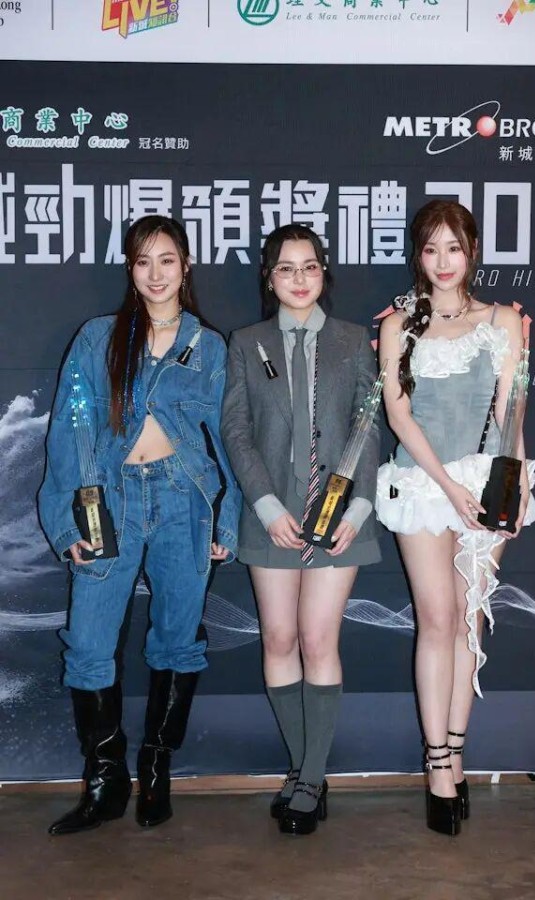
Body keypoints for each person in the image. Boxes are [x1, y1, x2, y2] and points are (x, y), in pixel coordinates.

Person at [38, 214, 240, 835]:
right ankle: (105, 782)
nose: (155, 274)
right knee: (89, 645)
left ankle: (156, 769)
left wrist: (226, 519)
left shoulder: (208, 346)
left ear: (186, 266)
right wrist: (67, 517)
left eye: (167, 260)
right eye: (143, 261)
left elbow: (226, 439)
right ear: (130, 268)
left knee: (178, 639)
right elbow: (72, 427)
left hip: (185, 500)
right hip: (110, 499)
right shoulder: (99, 338)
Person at [376, 200, 535, 836]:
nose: (443, 262)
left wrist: (512, 487)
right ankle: (437, 763)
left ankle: (458, 753)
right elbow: (398, 416)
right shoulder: (399, 325)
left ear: (472, 252)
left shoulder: (503, 320)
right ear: (418, 255)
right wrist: (447, 486)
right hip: (423, 484)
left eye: (455, 248)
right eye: (431, 249)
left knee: (471, 622)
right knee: (437, 618)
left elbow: (511, 411)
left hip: (485, 482)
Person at [221, 224, 381, 835]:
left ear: (324, 273)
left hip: (338, 516)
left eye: (309, 266)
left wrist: (359, 508)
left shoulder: (353, 340)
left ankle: (311, 778)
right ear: (269, 278)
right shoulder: (246, 343)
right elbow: (236, 430)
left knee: (318, 640)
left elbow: (368, 427)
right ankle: (302, 766)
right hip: (272, 514)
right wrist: (264, 505)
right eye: (285, 268)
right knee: (279, 639)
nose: (298, 278)